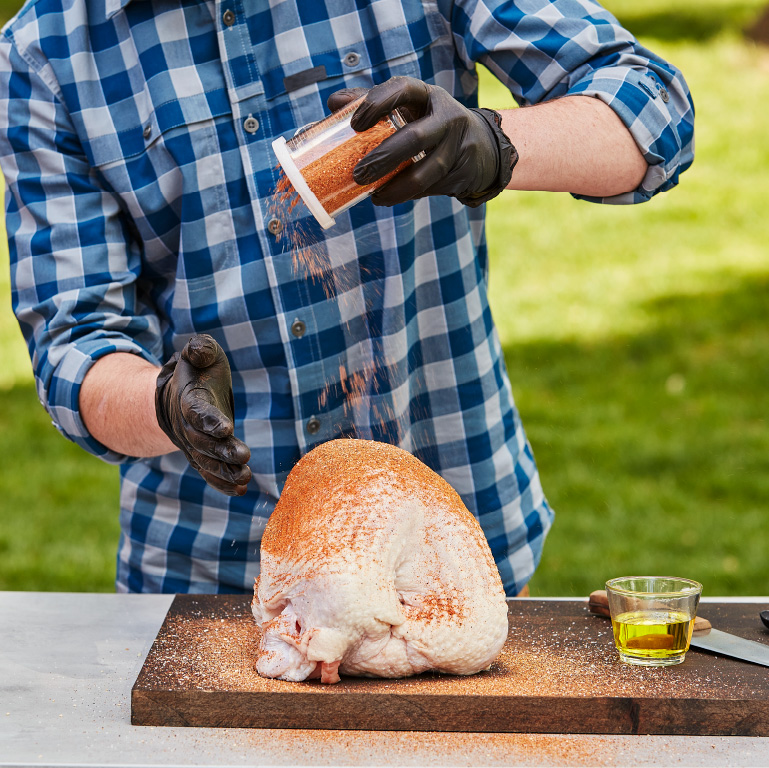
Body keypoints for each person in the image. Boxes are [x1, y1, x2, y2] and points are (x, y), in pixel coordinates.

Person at [0, 0, 693, 596]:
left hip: (449, 530)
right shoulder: (45, 53)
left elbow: (652, 106)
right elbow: (77, 342)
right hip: (213, 567)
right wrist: (163, 405)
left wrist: (491, 142)